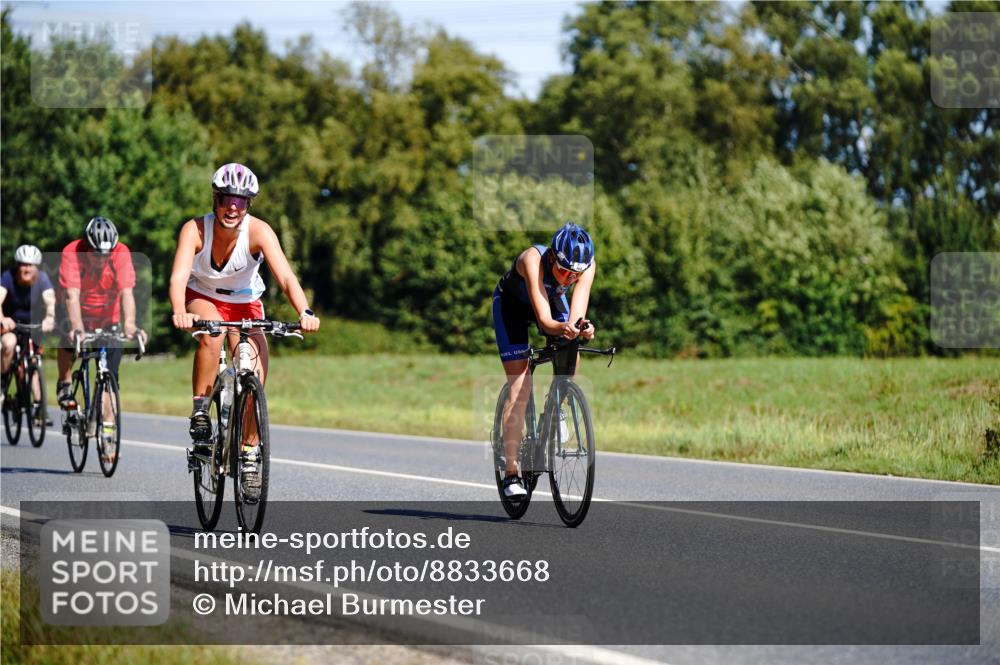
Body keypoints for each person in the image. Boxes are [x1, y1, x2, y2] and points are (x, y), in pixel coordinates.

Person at [168, 163, 319, 486]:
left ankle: (249, 453)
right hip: (203, 295)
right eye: (226, 199)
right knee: (214, 331)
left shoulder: (259, 232)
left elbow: (286, 277)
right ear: (215, 199)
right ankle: (200, 411)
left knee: (256, 376)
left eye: (240, 201)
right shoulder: (194, 230)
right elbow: (179, 275)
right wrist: (180, 310)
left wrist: (305, 311)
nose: (232, 207)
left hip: (247, 303)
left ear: (249, 205)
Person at [491, 221, 597, 500]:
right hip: (512, 308)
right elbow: (545, 320)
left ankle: (557, 408)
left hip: (551, 304)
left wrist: (583, 327)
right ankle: (512, 473)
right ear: (552, 257)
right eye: (563, 271)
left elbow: (575, 314)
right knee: (520, 385)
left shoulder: (586, 266)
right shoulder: (532, 260)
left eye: (574, 276)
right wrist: (564, 328)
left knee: (571, 351)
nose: (567, 279)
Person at [56, 217, 138, 460]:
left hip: (107, 318)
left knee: (110, 378)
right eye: (96, 254)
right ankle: (65, 383)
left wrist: (130, 324)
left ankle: (108, 438)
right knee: (68, 340)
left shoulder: (121, 252)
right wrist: (77, 327)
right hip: (76, 312)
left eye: (106, 253)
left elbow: (127, 294)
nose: (101, 258)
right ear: (86, 246)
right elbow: (71, 295)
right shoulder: (72, 251)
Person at [1, 245, 56, 421]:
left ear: (36, 267)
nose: (27, 268)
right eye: (23, 264)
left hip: (33, 326)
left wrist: (49, 317)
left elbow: (50, 299)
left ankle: (40, 408)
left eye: (30, 265)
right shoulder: (8, 277)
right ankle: (2, 382)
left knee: (33, 363)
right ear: (18, 265)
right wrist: (2, 318)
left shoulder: (42, 279)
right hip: (11, 324)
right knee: (8, 344)